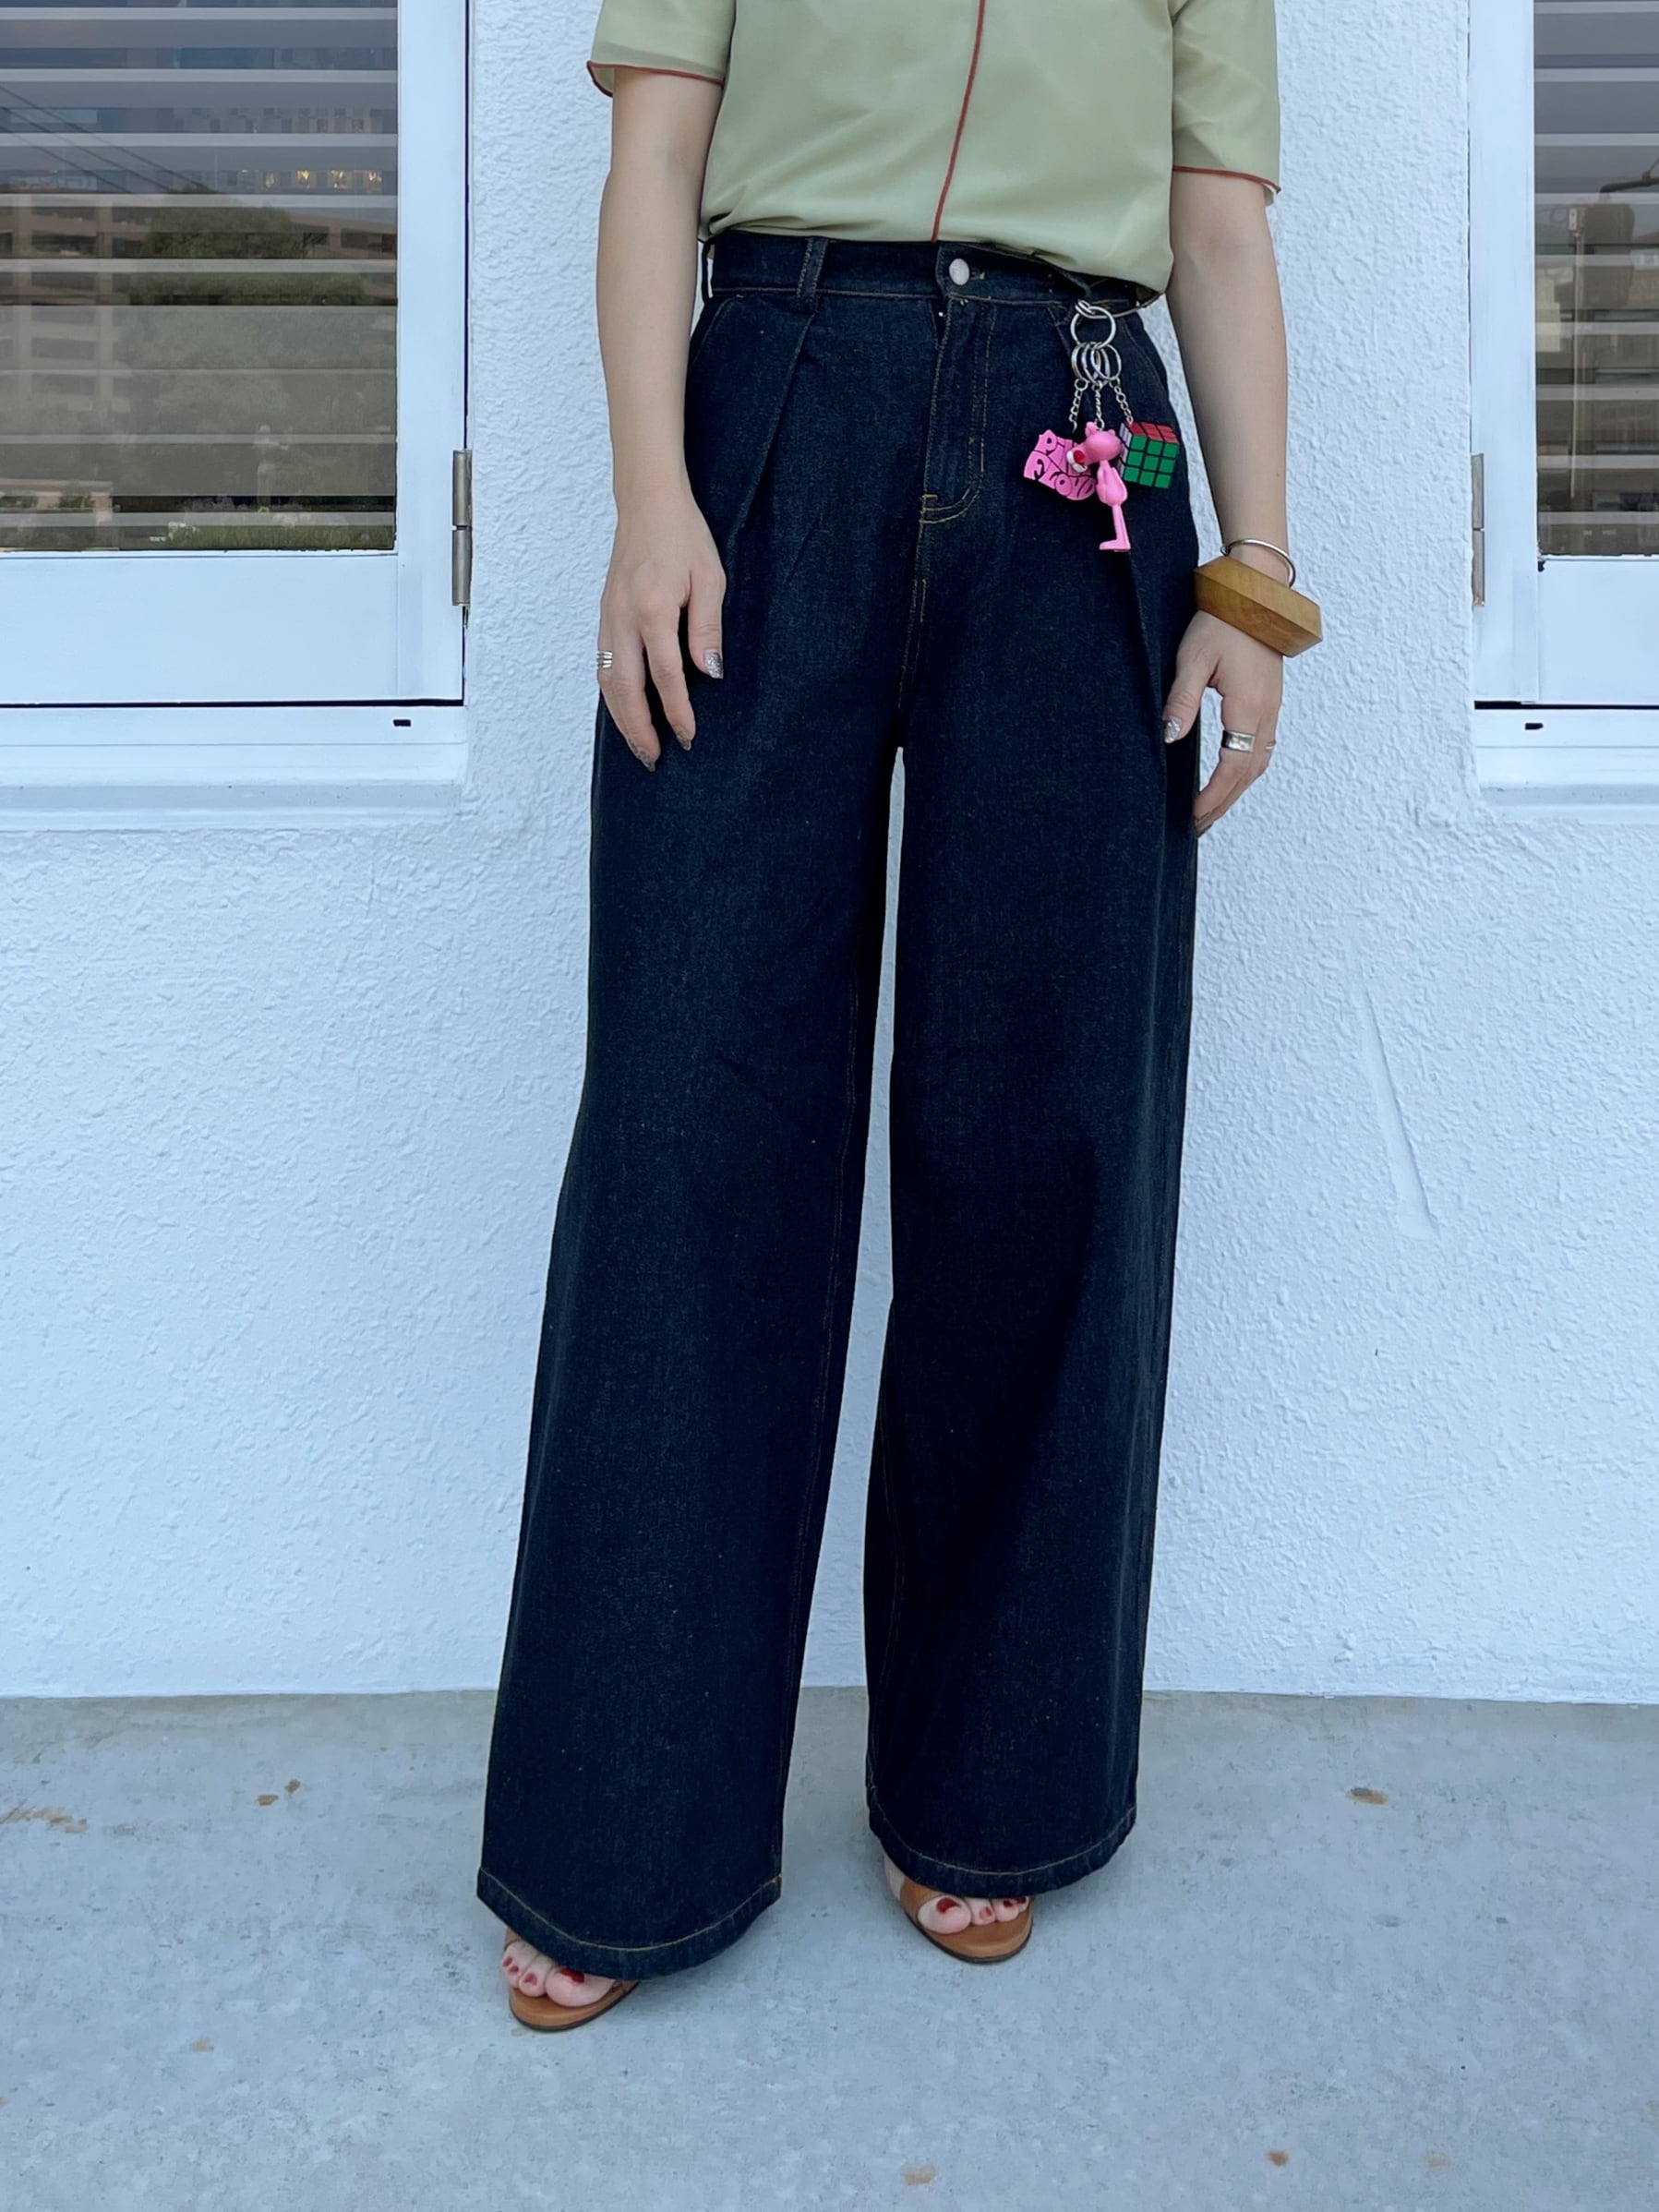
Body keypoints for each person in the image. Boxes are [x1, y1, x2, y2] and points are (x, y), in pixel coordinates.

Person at [478, 0, 1319, 2030]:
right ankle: (622, 1829)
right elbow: (653, 157)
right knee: (689, 1123)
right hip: (775, 393)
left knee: (1045, 1131)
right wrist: (653, 496)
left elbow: (1215, 228)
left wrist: (1255, 574)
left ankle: (987, 1787)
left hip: (1081, 431)